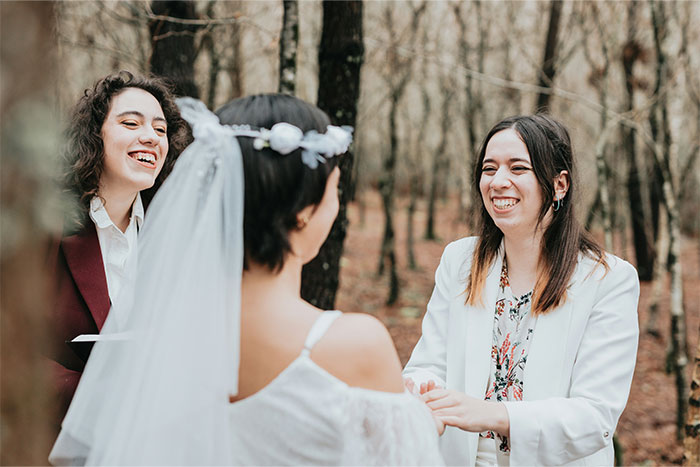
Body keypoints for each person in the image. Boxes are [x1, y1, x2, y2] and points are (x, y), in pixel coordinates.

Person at [50, 94, 444, 465]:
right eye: (335, 188)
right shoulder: (356, 345)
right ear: (304, 210)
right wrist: (420, 426)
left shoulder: (165, 339)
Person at [403, 114, 639, 466]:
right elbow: (428, 363)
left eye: (517, 168)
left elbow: (594, 418)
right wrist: (421, 390)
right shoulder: (460, 260)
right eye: (489, 168)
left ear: (559, 185)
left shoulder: (608, 280)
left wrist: (492, 414)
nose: (498, 182)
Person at [47, 71, 190, 423]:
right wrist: (91, 397)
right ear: (93, 135)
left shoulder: (174, 235)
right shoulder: (47, 227)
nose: (151, 138)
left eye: (160, 130)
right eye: (131, 123)